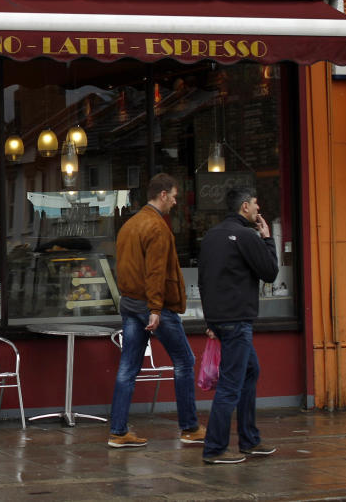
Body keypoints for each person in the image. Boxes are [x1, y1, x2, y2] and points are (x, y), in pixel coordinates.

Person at [108, 173, 205, 448]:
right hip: (151, 307)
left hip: (129, 303)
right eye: (174, 196)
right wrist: (155, 308)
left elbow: (126, 269)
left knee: (128, 368)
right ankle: (190, 427)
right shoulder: (157, 227)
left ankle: (118, 431)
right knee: (184, 360)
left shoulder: (130, 225)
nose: (175, 201)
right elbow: (155, 272)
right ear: (163, 194)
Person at [198, 187, 279, 465]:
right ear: (245, 207)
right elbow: (270, 271)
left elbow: (204, 279)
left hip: (220, 319)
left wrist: (210, 320)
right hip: (237, 321)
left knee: (249, 371)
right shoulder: (246, 235)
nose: (258, 210)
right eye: (256, 205)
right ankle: (215, 448)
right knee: (230, 385)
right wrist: (267, 238)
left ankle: (250, 439)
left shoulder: (211, 236)